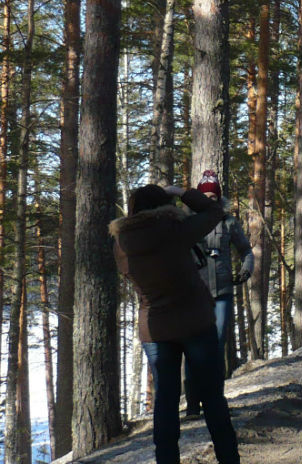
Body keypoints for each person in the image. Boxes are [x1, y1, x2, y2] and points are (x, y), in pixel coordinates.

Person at [111, 182, 240, 464]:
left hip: (154, 329)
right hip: (195, 322)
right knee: (212, 398)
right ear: (164, 206)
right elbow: (215, 210)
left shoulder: (121, 243)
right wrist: (182, 192)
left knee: (166, 403)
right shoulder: (175, 231)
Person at [185, 170, 254, 417]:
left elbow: (246, 250)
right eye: (206, 196)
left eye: (214, 196)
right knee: (193, 347)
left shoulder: (229, 222)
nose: (210, 200)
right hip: (194, 294)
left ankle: (215, 400)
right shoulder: (187, 222)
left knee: (217, 345)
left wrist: (246, 270)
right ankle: (192, 404)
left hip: (223, 292)